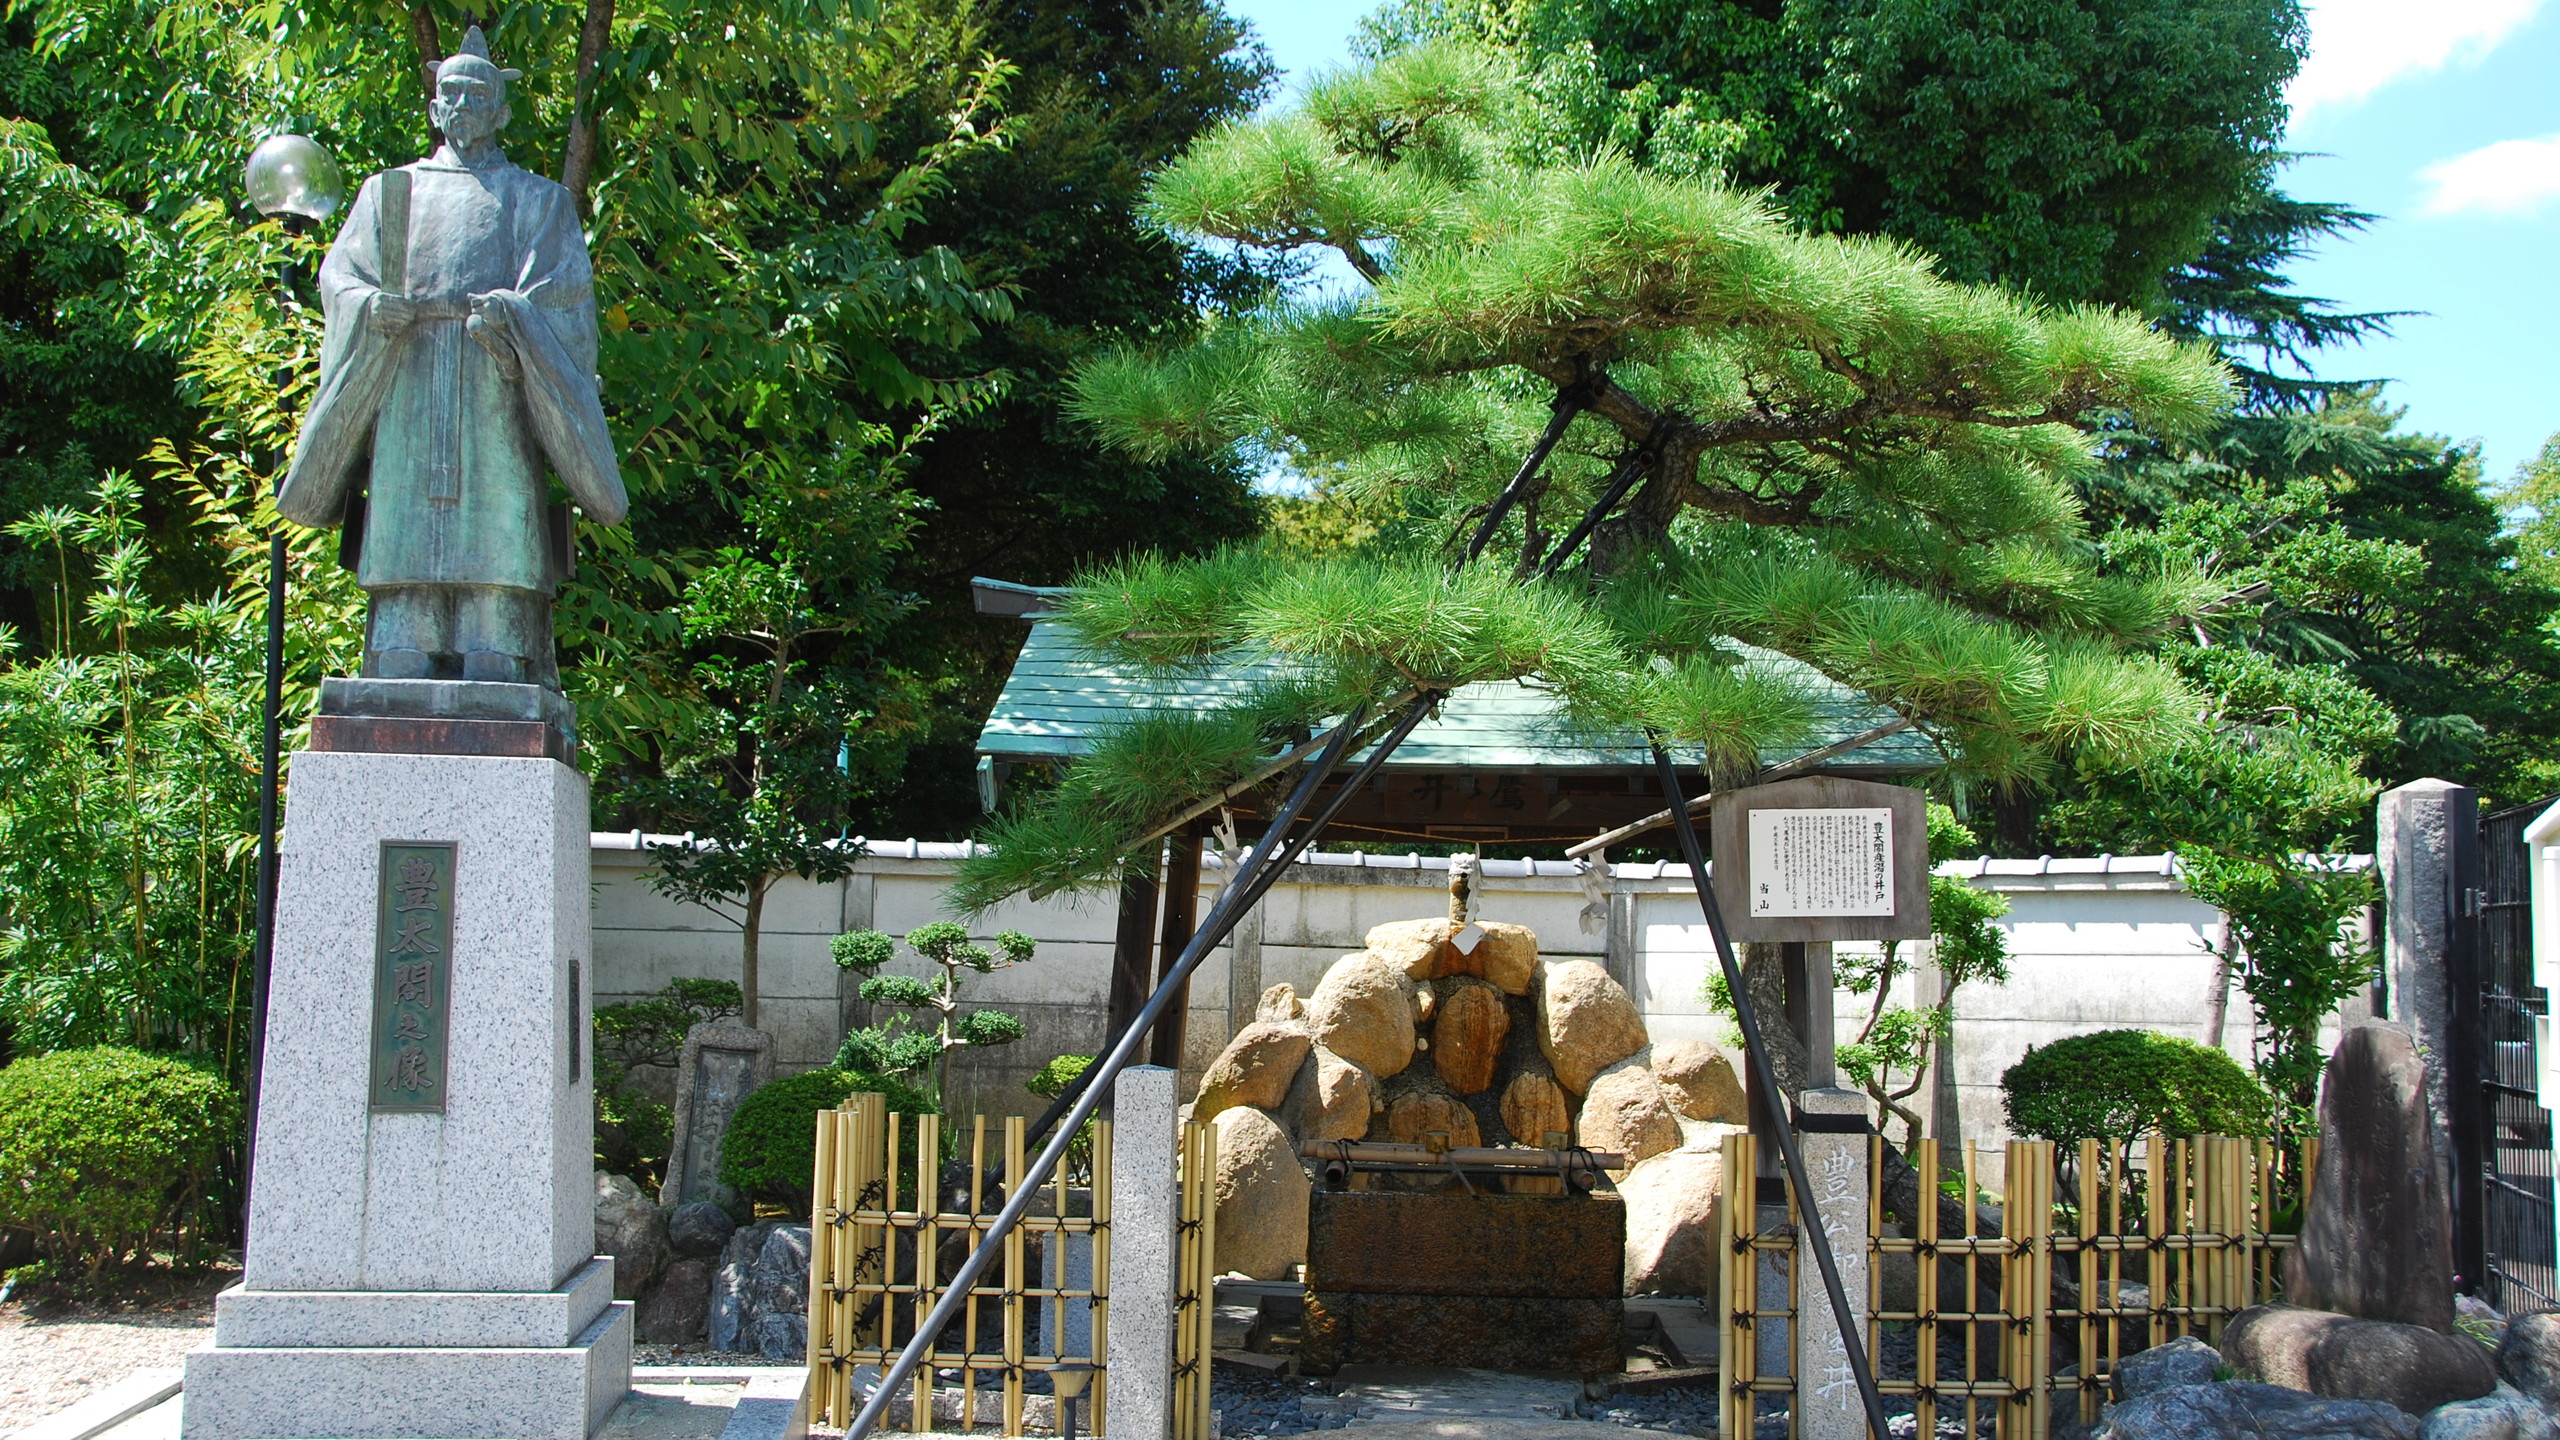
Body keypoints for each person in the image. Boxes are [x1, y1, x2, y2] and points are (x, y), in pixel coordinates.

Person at [278, 26, 626, 688]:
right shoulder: (390, 194)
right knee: (406, 509)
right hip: (406, 372)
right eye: (451, 93)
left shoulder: (537, 201)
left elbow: (566, 303)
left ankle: (494, 638)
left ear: (502, 110)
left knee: (497, 510)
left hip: (495, 378)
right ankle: (405, 637)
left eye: (479, 93)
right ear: (435, 107)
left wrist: (518, 322)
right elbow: (340, 279)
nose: (463, 104)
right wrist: (369, 307)